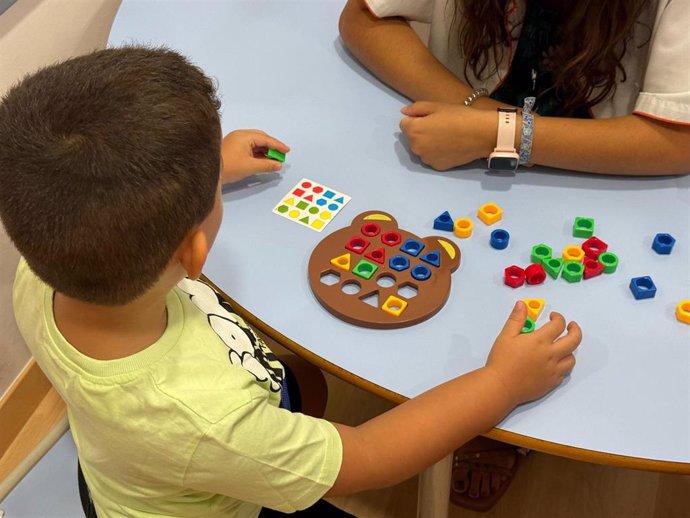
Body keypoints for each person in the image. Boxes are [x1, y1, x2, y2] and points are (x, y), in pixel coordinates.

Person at [0, 46, 581, 518]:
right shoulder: (214, 421)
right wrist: (501, 383)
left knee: (301, 382)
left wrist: (205, 173)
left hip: (131, 468)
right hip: (209, 495)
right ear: (195, 249)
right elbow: (372, 456)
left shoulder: (44, 267)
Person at [339, 0, 690, 175]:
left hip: (598, 182)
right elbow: (364, 18)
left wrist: (501, 134)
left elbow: (678, 140)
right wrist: (482, 115)